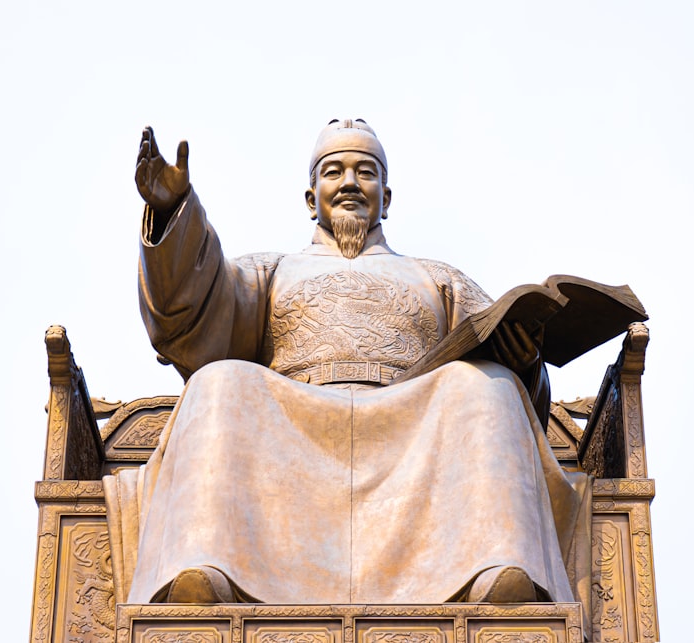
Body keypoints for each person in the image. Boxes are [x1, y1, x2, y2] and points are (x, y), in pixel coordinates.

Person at [103, 119, 587, 606]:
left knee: (491, 384)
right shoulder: (272, 271)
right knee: (218, 381)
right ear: (312, 198)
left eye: (366, 172)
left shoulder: (439, 278)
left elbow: (497, 351)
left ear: (387, 197)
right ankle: (206, 567)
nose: (351, 183)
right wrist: (172, 214)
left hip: (414, 427)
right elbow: (195, 312)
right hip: (295, 423)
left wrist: (525, 364)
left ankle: (494, 566)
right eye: (334, 171)